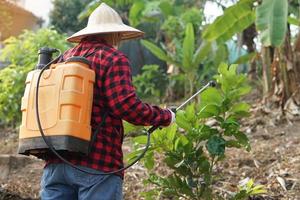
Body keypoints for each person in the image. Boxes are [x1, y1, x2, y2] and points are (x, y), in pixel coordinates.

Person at [40, 3, 175, 200]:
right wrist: (165, 116)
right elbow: (126, 106)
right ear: (113, 33)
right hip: (97, 165)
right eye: (118, 34)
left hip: (56, 162)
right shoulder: (113, 58)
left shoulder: (61, 59)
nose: (119, 39)